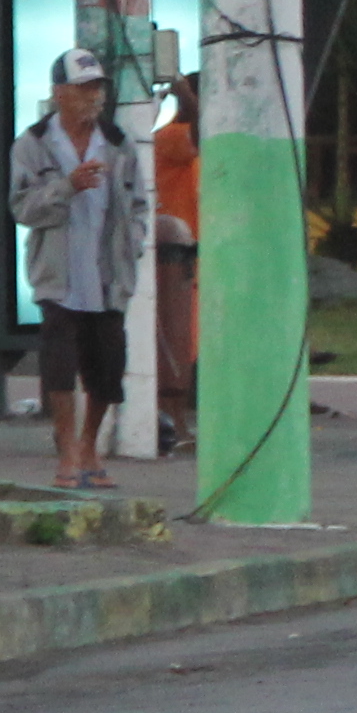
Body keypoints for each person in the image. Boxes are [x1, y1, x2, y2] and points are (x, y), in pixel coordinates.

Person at [7, 47, 147, 491]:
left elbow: (139, 203)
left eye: (98, 88)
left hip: (107, 276)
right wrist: (67, 187)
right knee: (60, 365)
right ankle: (67, 451)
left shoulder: (118, 143)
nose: (93, 98)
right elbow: (21, 208)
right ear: (59, 93)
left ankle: (90, 446)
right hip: (59, 277)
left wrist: (134, 242)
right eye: (84, 89)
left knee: (106, 365)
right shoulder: (32, 144)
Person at [149, 67, 200, 458]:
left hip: (193, 259)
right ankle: (176, 425)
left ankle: (181, 423)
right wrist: (185, 97)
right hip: (173, 261)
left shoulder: (195, 149)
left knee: (188, 348)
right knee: (177, 347)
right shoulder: (171, 140)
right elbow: (197, 129)